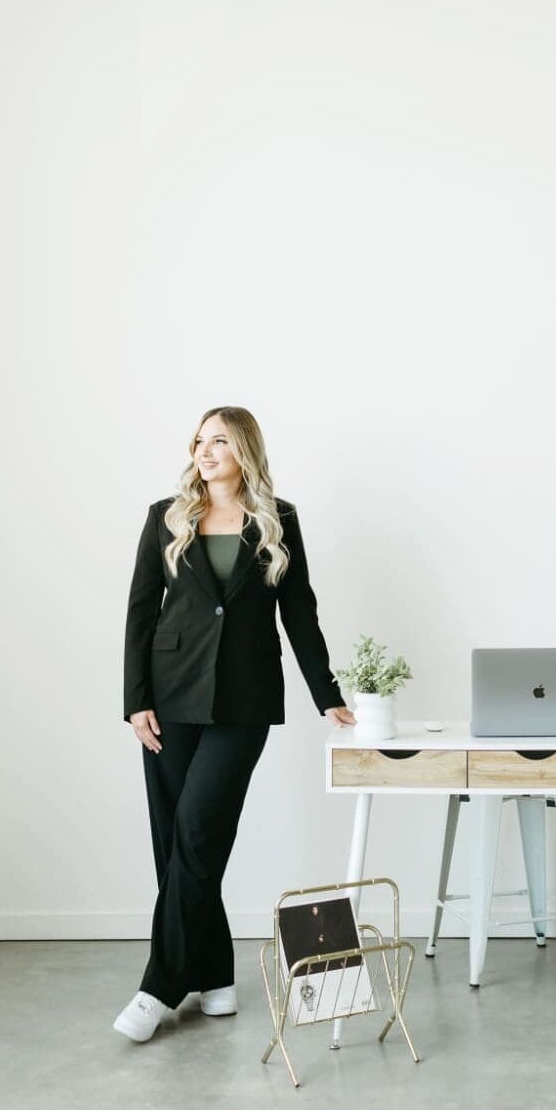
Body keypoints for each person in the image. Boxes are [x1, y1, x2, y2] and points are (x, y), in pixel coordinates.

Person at [115, 406, 355, 1042]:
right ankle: (215, 974)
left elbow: (298, 610)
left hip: (243, 701)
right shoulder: (165, 516)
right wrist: (134, 697)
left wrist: (325, 692)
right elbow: (141, 611)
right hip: (169, 698)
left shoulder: (280, 520)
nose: (205, 449)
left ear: (244, 447)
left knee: (197, 832)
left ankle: (159, 986)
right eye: (199, 440)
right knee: (178, 844)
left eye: (218, 439)